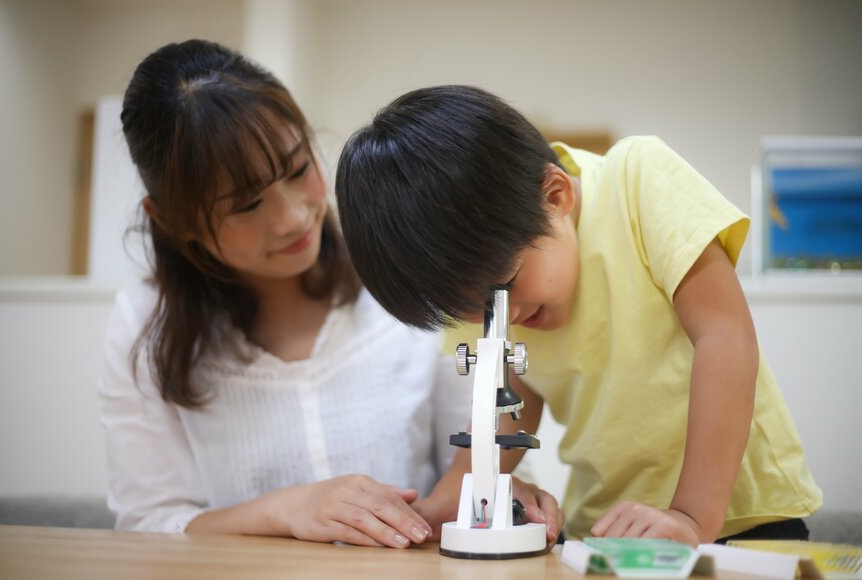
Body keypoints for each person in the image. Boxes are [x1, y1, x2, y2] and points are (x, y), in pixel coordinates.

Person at [99, 43, 563, 548]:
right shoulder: (143, 326)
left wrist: (499, 489)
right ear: (172, 219)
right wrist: (285, 510)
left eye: (299, 169)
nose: (293, 218)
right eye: (246, 205)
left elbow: (485, 441)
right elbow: (147, 524)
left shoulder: (409, 275)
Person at [334, 85, 823, 545]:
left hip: (741, 520)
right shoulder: (487, 275)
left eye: (509, 286)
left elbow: (724, 336)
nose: (509, 316)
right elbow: (513, 398)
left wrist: (692, 516)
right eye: (479, 312)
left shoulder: (636, 182)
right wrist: (453, 496)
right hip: (608, 529)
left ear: (556, 196)